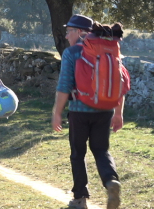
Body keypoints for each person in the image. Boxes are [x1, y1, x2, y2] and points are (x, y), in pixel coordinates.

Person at [51, 14, 124, 209]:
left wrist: (57, 112)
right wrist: (118, 113)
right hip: (105, 110)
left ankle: (80, 199)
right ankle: (111, 181)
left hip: (79, 111)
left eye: (69, 32)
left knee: (78, 153)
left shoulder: (72, 52)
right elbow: (120, 83)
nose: (67, 37)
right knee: (101, 150)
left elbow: (64, 86)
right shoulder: (110, 49)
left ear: (80, 32)